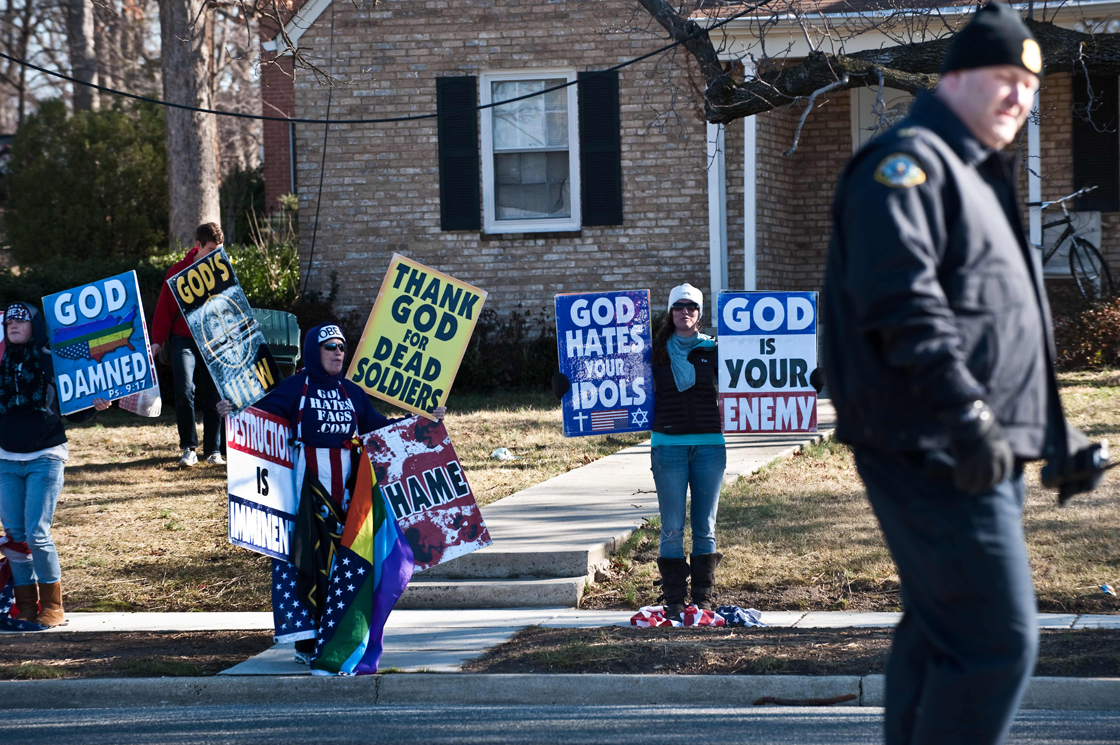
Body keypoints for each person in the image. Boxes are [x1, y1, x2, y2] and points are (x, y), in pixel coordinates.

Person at [824, 4, 1104, 743]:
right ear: (953, 79)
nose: (1019, 96)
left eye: (1030, 85)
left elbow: (997, 331)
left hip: (974, 443)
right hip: (931, 442)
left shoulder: (979, 176)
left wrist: (1054, 430)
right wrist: (968, 415)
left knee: (941, 631)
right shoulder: (908, 165)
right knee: (996, 641)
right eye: (1004, 77)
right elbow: (901, 302)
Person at [217, 323, 445, 663]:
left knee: (342, 566)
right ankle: (306, 644)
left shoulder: (352, 393)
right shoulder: (295, 388)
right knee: (309, 564)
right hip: (305, 496)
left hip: (351, 497)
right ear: (313, 352)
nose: (338, 352)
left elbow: (381, 428)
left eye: (341, 346)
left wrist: (421, 420)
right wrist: (231, 414)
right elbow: (255, 419)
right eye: (330, 347)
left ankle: (336, 637)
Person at [0, 302, 110, 628]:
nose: (14, 323)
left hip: (45, 456)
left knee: (36, 532)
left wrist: (94, 405)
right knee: (16, 536)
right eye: (9, 319)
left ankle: (53, 606)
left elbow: (74, 406)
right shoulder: (0, 363)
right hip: (6, 459)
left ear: (36, 325)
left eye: (22, 319)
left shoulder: (54, 363)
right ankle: (26, 607)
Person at [649, 283, 726, 620]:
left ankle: (703, 601)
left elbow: (756, 378)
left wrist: (807, 380)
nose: (685, 312)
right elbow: (609, 374)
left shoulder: (716, 349)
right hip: (667, 447)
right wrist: (566, 383)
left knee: (705, 526)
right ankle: (675, 601)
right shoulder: (653, 351)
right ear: (670, 312)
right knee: (671, 526)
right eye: (679, 306)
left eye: (691, 306)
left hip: (710, 445)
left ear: (699, 313)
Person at [151, 222, 226, 468]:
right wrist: (157, 342)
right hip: (183, 339)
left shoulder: (222, 271)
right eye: (212, 250)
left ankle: (214, 450)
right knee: (184, 390)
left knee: (214, 394)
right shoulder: (178, 271)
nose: (216, 255)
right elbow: (164, 310)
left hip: (213, 340)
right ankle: (189, 449)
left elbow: (230, 308)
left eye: (219, 250)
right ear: (198, 246)